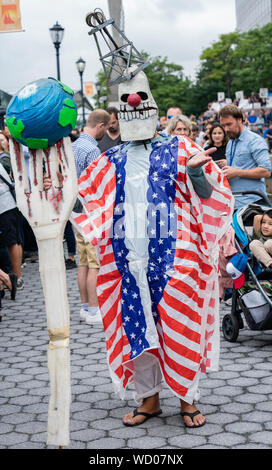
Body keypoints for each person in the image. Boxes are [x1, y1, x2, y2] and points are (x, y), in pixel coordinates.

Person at [70, 66, 233, 428]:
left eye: (142, 103)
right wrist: (57, 189)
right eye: (129, 105)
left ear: (155, 110)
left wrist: (194, 173)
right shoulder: (109, 160)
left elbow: (209, 196)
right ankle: (150, 400)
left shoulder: (182, 148)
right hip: (129, 264)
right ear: (119, 118)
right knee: (138, 331)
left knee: (180, 326)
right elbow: (85, 202)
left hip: (176, 260)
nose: (135, 106)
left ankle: (188, 399)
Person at [72, 109, 111, 324]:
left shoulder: (74, 146)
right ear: (101, 126)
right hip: (91, 210)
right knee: (95, 262)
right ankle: (95, 310)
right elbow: (99, 184)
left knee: (84, 262)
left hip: (75, 210)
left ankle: (85, 306)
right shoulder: (92, 150)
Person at [219, 104, 271, 210]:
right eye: (223, 125)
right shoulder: (230, 141)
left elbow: (266, 171)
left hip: (252, 203)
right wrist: (227, 164)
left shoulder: (255, 141)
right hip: (233, 203)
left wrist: (237, 172)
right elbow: (238, 164)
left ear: (239, 120)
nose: (226, 129)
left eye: (229, 124)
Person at [0, 162, 23, 290]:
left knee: (12, 242)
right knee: (15, 241)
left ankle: (16, 279)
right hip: (9, 204)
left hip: (4, 206)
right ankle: (17, 277)